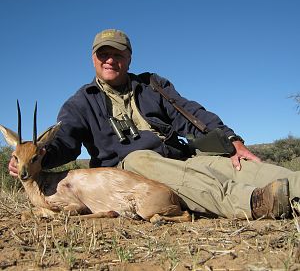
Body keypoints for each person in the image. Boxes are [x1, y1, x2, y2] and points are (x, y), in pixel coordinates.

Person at [8, 29, 299, 220]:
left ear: (129, 57)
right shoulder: (81, 101)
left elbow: (189, 112)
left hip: (179, 157)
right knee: (140, 159)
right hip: (132, 170)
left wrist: (231, 139)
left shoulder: (151, 85)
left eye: (118, 54)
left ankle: (295, 188)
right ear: (93, 58)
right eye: (103, 54)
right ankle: (252, 203)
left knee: (234, 164)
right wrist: (37, 155)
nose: (110, 60)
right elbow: (65, 140)